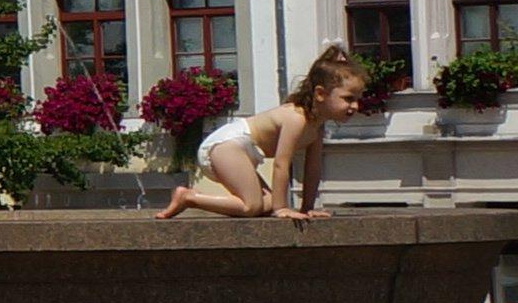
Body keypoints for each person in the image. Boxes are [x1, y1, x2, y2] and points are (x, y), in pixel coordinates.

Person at [159, 50, 371, 222]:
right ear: (320, 94)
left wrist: (308, 208)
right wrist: (282, 208)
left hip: (243, 150)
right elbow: (281, 163)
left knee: (265, 205)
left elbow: (313, 168)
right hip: (227, 145)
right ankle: (189, 197)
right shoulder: (297, 118)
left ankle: (190, 198)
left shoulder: (317, 126)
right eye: (348, 99)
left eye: (357, 99)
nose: (355, 106)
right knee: (252, 206)